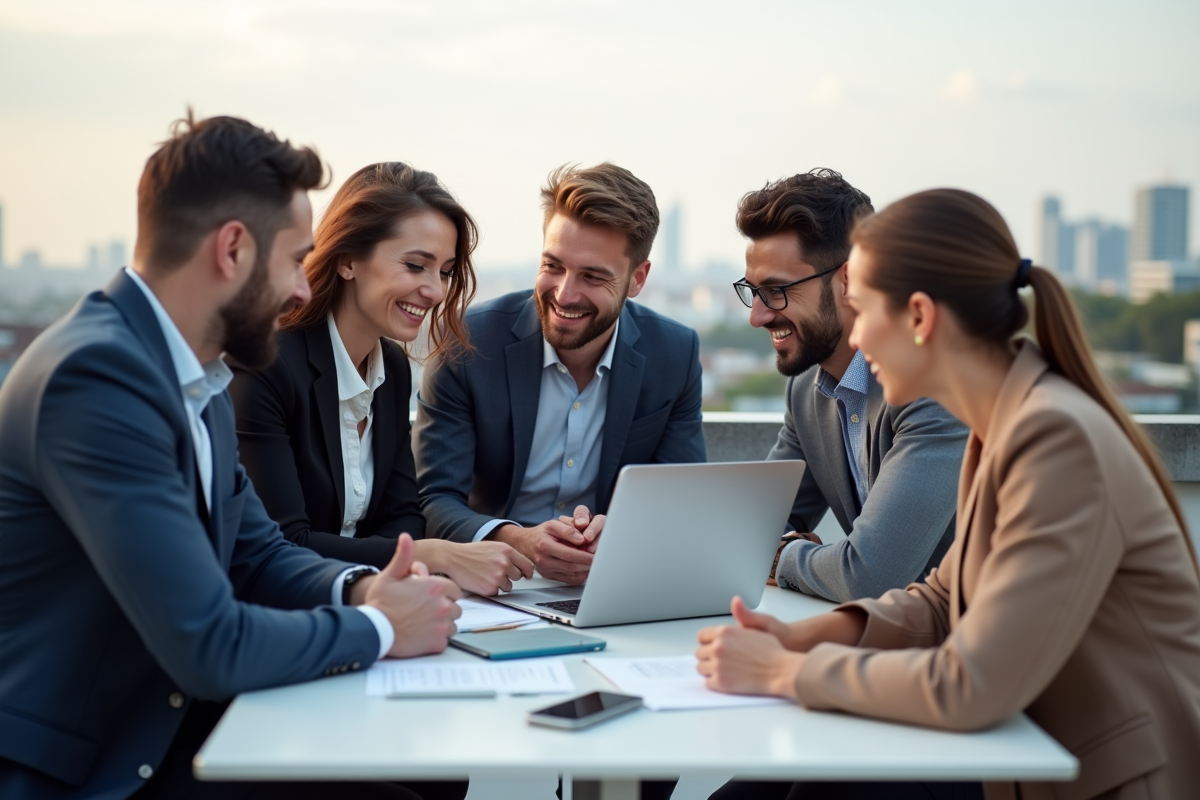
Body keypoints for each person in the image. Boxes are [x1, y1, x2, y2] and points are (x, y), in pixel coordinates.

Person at [0, 114, 465, 800]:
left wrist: (362, 588)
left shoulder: (198, 374)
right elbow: (209, 645)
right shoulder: (96, 379)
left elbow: (259, 554)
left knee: (428, 778)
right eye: (294, 260)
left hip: (173, 728)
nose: (305, 289)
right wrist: (376, 626)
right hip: (92, 768)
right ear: (233, 250)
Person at [697, 189, 1200, 799]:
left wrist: (786, 672)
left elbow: (974, 683)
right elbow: (941, 602)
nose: (859, 339)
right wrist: (799, 637)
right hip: (1021, 750)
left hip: (1100, 777)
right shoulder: (1007, 425)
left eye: (864, 310)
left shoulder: (1054, 439)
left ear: (918, 318)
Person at [230, 162, 535, 596]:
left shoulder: (390, 367)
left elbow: (403, 515)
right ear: (349, 260)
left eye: (445, 272)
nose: (434, 290)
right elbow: (283, 545)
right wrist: (438, 555)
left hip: (371, 605)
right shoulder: (267, 364)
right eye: (415, 266)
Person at [414, 163, 706, 584]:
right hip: (494, 583)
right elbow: (433, 499)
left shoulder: (674, 353)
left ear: (637, 279)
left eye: (593, 276)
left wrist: (623, 534)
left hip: (608, 581)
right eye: (553, 265)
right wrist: (516, 539)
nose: (565, 294)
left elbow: (682, 502)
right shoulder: (467, 342)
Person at [734, 169, 967, 602]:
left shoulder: (933, 390)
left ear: (849, 280)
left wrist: (782, 556)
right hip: (894, 642)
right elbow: (748, 528)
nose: (758, 316)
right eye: (753, 292)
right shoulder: (806, 390)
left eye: (778, 291)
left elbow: (868, 578)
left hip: (982, 650)